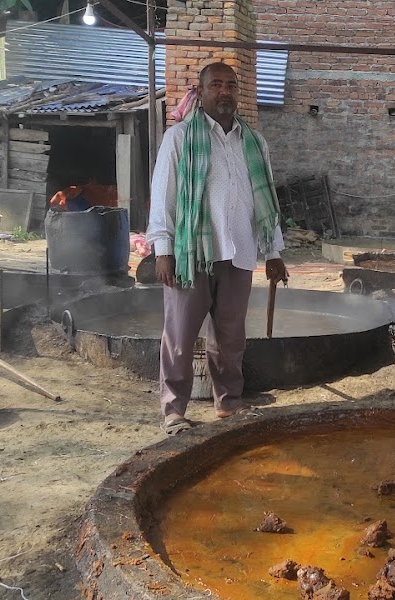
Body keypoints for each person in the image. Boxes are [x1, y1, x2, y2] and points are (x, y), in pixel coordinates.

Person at [146, 62, 288, 435]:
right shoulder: (179, 138)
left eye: (230, 86)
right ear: (201, 89)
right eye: (216, 85)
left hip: (239, 252)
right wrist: (162, 249)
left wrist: (273, 251)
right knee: (179, 336)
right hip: (191, 254)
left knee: (230, 337)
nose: (224, 92)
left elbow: (266, 200)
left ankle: (228, 403)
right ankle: (174, 410)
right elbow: (164, 196)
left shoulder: (254, 143)